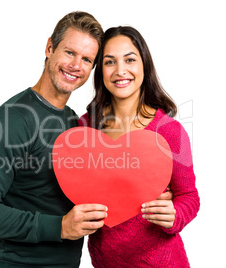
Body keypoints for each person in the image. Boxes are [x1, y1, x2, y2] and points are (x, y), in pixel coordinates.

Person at [0, 11, 109, 268]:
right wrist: (60, 227)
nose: (76, 65)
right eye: (69, 52)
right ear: (49, 47)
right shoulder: (11, 119)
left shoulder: (76, 123)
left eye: (86, 59)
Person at [78, 26, 200, 267]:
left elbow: (189, 196)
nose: (120, 71)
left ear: (144, 65)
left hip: (162, 261)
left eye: (130, 60)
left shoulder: (169, 132)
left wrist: (176, 214)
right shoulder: (85, 129)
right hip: (104, 261)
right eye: (109, 62)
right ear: (100, 71)